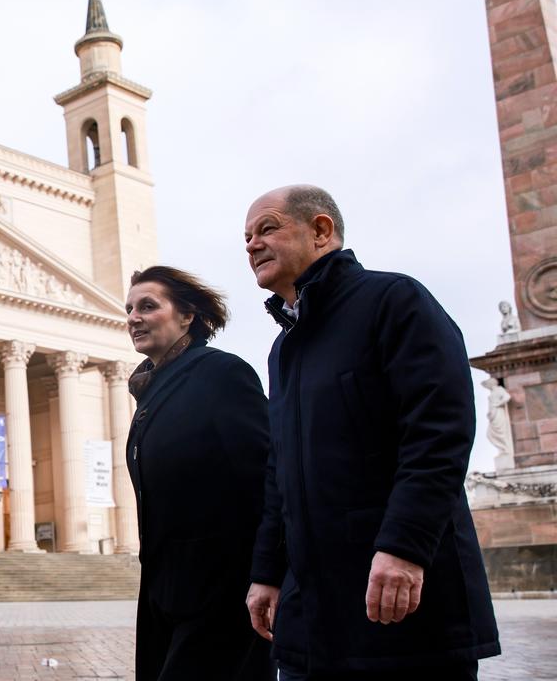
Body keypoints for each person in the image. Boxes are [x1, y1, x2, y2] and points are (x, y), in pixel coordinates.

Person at [242, 185, 500, 679]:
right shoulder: (282, 349)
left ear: (321, 231)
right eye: (247, 236)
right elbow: (281, 470)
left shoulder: (395, 301)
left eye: (268, 228)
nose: (252, 244)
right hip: (309, 617)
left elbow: (439, 432)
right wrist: (266, 574)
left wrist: (404, 546)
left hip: (397, 599)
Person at [124, 266, 274, 681]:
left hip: (221, 589)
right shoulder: (150, 392)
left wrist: (267, 573)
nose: (133, 317)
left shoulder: (219, 374)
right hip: (163, 590)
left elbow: (265, 477)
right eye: (130, 308)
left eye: (148, 306)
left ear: (187, 316)